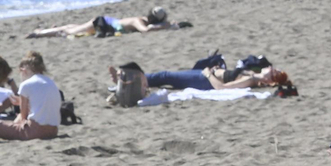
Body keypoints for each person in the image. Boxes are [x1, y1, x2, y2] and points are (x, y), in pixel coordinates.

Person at [0, 53, 60, 141]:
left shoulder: (26, 85)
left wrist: (14, 123)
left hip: (34, 132)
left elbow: (23, 117)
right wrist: (21, 102)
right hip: (53, 131)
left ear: (23, 70)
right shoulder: (50, 82)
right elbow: (41, 105)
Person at [114, 60, 288, 94]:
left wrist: (208, 74)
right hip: (205, 75)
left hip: (204, 80)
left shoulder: (251, 80)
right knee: (166, 77)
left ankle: (130, 83)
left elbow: (222, 88)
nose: (270, 68)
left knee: (166, 76)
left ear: (269, 80)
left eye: (273, 71)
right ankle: (130, 83)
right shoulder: (252, 75)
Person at [25, 6, 173, 38]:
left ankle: (43, 31)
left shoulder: (142, 19)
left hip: (105, 22)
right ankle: (38, 34)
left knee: (74, 27)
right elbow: (145, 31)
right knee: (68, 31)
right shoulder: (138, 21)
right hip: (102, 23)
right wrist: (164, 26)